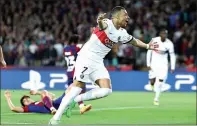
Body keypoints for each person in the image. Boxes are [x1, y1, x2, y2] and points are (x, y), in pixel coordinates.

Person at [49, 6, 158, 125]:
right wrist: (100, 21)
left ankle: (76, 100)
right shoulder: (107, 23)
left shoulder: (122, 33)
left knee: (106, 90)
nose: (128, 18)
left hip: (98, 62)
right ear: (115, 17)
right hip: (86, 57)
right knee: (78, 86)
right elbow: (102, 25)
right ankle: (55, 119)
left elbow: (134, 41)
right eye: (125, 15)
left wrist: (148, 46)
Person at [146, 29, 176, 106]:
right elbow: (149, 52)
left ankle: (156, 99)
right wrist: (148, 64)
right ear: (160, 34)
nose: (164, 35)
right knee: (152, 81)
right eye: (162, 34)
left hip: (163, 65)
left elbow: (172, 55)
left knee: (160, 82)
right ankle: (152, 85)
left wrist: (172, 67)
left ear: (167, 35)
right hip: (154, 64)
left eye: (165, 34)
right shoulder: (154, 40)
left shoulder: (169, 44)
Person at [64, 35, 92, 114]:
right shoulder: (77, 47)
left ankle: (66, 105)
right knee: (80, 89)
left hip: (69, 71)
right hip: (76, 72)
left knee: (71, 91)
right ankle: (81, 106)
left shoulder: (65, 48)